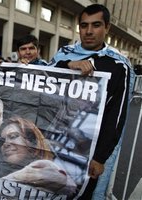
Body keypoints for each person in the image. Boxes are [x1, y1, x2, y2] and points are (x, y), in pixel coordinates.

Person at [49, 4, 131, 199]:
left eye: (96, 25)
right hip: (51, 141)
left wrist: (100, 158)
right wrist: (67, 65)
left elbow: (116, 116)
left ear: (107, 27)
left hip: (87, 151)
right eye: (84, 25)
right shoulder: (64, 53)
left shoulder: (118, 66)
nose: (89, 31)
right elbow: (41, 79)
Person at [0, 117, 77, 196]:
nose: (5, 144)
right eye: (2, 140)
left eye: (13, 136)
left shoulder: (44, 167)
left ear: (32, 142)